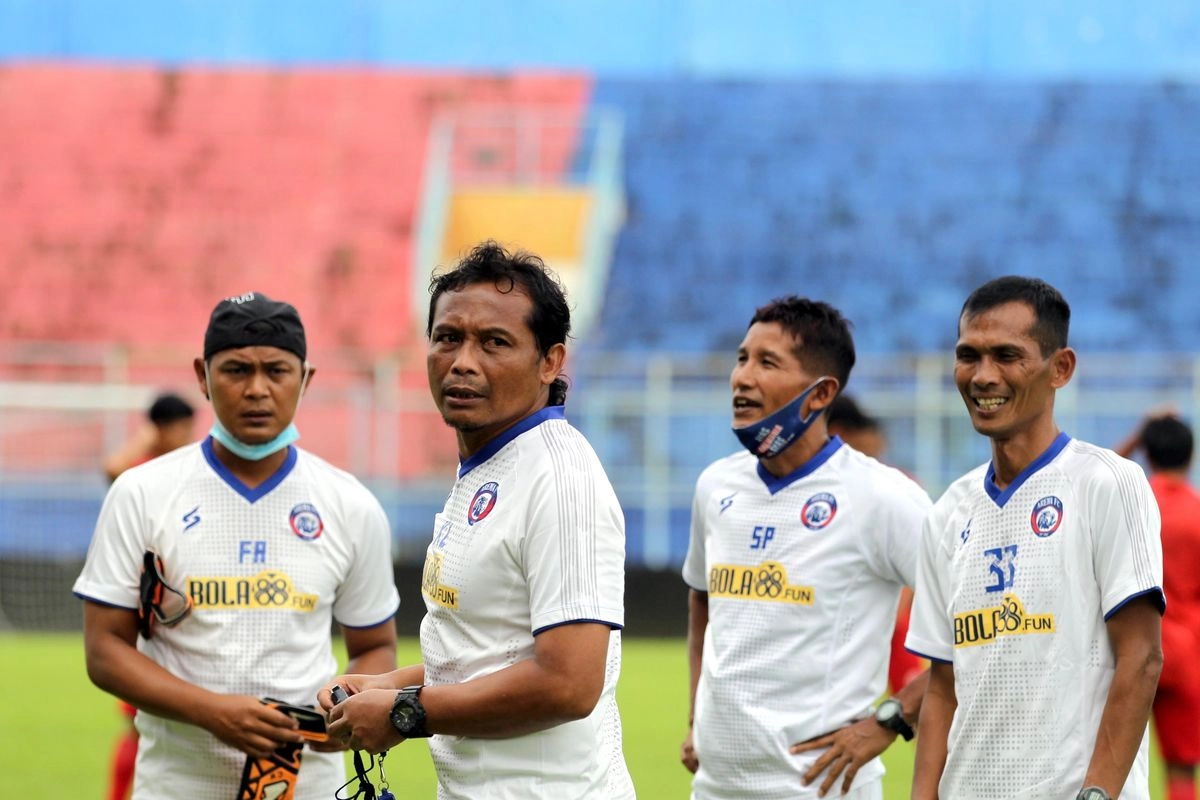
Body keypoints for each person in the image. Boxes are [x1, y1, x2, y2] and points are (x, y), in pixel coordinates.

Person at [320, 242, 635, 799]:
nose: (463, 361)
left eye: (494, 342)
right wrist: (386, 685)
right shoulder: (490, 464)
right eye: (448, 338)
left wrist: (404, 713)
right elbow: (486, 651)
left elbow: (568, 684)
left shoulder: (560, 480)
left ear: (551, 362)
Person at [74, 291, 401, 799]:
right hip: (175, 784)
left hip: (308, 784)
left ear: (306, 379)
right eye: (235, 370)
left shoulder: (349, 503)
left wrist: (343, 705)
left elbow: (375, 646)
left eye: (276, 370)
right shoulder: (142, 492)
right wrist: (211, 710)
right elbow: (104, 650)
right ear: (202, 376)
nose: (257, 390)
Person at [906, 276, 1164, 800]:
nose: (982, 377)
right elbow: (942, 687)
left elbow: (1140, 658)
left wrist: (1096, 795)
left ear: (1060, 368)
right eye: (968, 355)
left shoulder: (1106, 483)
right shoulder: (948, 512)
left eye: (1007, 355)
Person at [680, 296, 933, 799]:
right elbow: (702, 599)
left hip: (822, 788)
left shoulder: (884, 498)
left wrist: (892, 719)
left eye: (767, 363)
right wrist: (696, 718)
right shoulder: (716, 486)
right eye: (742, 358)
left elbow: (974, 626)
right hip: (715, 788)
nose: (742, 377)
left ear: (820, 395)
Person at [101, 391, 197, 800]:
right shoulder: (141, 475)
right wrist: (147, 436)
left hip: (188, 605)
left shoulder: (186, 469)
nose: (188, 435)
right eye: (181, 427)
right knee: (141, 719)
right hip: (146, 609)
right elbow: (111, 468)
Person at [1115, 413, 1200, 800]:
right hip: (1184, 653)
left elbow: (1083, 486)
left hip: (1127, 646)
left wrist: (1136, 436)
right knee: (1182, 768)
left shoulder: (1134, 504)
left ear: (1147, 454)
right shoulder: (1197, 513)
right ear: (1190, 457)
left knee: (1109, 760)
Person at [825, 393, 924, 695]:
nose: (880, 443)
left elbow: (919, 559)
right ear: (839, 433)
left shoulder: (894, 485)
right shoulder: (820, 491)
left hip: (889, 623)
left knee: (915, 701)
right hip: (836, 626)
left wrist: (899, 609)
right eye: (870, 434)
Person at [104, 392, 197, 483]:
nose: (189, 435)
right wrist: (143, 438)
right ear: (160, 428)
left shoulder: (187, 462)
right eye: (184, 428)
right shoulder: (142, 465)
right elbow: (113, 470)